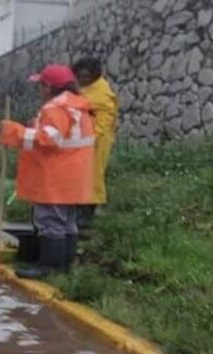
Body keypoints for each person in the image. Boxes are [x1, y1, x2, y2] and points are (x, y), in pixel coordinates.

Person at [0, 64, 96, 278]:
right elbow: (65, 136)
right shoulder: (78, 106)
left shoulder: (54, 108)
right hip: (75, 177)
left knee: (50, 221)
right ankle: (66, 266)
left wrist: (15, 132)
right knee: (68, 222)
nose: (39, 90)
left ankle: (50, 267)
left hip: (55, 177)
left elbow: (49, 140)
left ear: (48, 87)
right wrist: (36, 126)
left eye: (41, 85)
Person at [72, 57, 119, 229]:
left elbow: (104, 120)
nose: (82, 79)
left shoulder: (102, 93)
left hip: (97, 141)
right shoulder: (84, 89)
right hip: (82, 140)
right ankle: (77, 211)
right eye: (80, 76)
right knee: (79, 175)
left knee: (93, 175)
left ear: (94, 75)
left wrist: (92, 138)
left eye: (86, 76)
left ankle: (87, 215)